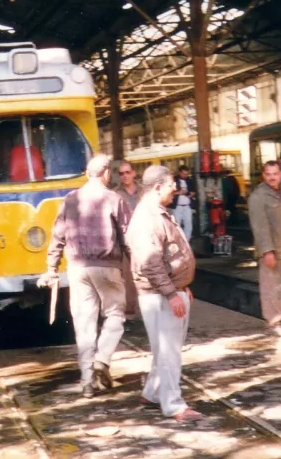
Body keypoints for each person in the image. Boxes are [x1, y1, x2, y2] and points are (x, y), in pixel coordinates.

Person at [42, 154, 131, 398]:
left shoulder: (70, 200)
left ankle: (87, 383)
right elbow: (127, 235)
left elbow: (57, 236)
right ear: (106, 174)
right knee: (114, 314)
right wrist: (137, 265)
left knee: (84, 325)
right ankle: (102, 358)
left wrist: (51, 267)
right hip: (107, 266)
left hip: (78, 269)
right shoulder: (114, 198)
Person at [127, 165, 201, 422]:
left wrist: (181, 285)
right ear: (157, 187)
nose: (175, 190)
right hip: (160, 295)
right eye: (171, 186)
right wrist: (171, 293)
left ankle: (152, 393)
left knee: (163, 349)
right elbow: (151, 262)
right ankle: (174, 405)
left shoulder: (154, 213)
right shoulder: (148, 218)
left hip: (166, 291)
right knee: (170, 351)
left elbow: (168, 256)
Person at [247, 161, 281, 338]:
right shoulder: (258, 197)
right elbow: (260, 226)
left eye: (275, 173)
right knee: (272, 287)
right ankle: (275, 322)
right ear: (263, 175)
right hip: (272, 250)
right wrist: (267, 251)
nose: (272, 177)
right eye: (268, 174)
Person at [115, 160, 141, 320]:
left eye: (127, 172)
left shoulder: (144, 192)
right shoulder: (115, 194)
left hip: (144, 238)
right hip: (125, 241)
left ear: (133, 173)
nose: (125, 176)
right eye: (121, 173)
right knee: (128, 276)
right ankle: (130, 309)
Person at [172, 166, 195, 239]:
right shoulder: (173, 180)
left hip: (187, 206)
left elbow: (193, 190)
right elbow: (169, 193)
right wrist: (178, 192)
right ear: (179, 172)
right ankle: (178, 242)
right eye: (184, 174)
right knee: (177, 225)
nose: (185, 176)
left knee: (188, 225)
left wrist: (192, 193)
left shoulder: (190, 180)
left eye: (187, 174)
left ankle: (187, 242)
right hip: (177, 206)